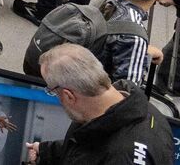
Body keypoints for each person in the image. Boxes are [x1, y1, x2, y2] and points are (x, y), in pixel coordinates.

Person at [28, 43, 174, 165]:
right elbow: (88, 146)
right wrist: (46, 151)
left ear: (68, 95)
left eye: (52, 90)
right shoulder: (136, 107)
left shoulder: (121, 156)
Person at [92, 0, 167, 86]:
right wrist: (142, 53)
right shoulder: (134, 36)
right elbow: (128, 92)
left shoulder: (107, 4)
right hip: (97, 96)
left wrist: (144, 51)